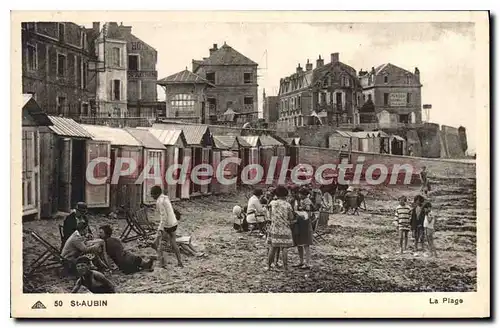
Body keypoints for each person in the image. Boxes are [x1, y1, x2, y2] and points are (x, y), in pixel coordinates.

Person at [151, 186, 183, 268]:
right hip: (174, 223)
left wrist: (160, 228)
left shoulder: (159, 201)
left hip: (167, 225)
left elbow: (163, 216)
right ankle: (179, 262)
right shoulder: (165, 197)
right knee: (173, 243)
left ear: (157, 194)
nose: (152, 196)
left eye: (153, 195)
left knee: (160, 244)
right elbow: (170, 210)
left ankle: (162, 263)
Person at [266, 186, 295, 272]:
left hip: (274, 228)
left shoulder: (272, 203)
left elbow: (269, 215)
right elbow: (291, 217)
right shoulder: (288, 205)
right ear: (285, 194)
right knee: (284, 248)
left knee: (273, 247)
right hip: (285, 228)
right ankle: (285, 267)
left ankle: (269, 266)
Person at [291, 188, 314, 270]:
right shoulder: (301, 201)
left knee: (305, 244)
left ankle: (307, 263)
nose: (300, 195)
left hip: (305, 224)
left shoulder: (307, 201)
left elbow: (307, 214)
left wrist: (298, 212)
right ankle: (301, 261)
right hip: (300, 223)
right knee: (299, 243)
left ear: (305, 194)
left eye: (301, 194)